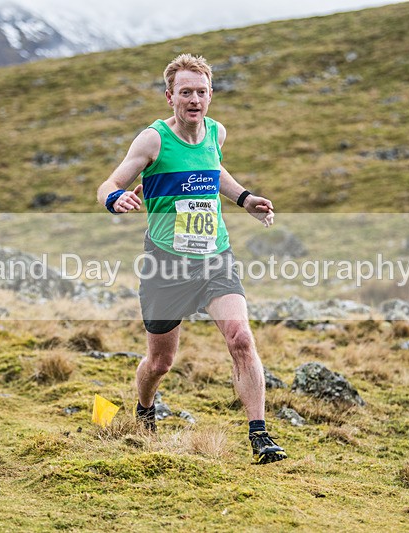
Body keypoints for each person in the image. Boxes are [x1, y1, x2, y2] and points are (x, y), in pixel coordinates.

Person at [96, 53, 287, 464]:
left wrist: (245, 199)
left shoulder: (216, 134)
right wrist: (117, 198)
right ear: (170, 97)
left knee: (241, 338)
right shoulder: (153, 140)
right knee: (161, 362)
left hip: (214, 257)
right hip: (166, 264)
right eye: (186, 92)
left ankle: (260, 436)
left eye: (201, 92)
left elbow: (214, 173)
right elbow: (108, 183)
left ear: (210, 95)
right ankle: (145, 409)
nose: (194, 100)